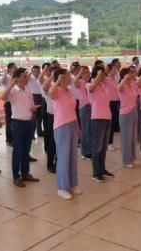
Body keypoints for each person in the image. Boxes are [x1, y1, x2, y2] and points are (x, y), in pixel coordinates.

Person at [1, 67, 41, 187]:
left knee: (26, 150)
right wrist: (11, 84)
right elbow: (3, 97)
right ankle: (16, 176)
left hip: (29, 122)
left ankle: (25, 173)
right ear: (17, 79)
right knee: (18, 151)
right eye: (24, 76)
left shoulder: (27, 88)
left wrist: (33, 111)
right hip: (18, 123)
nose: (27, 77)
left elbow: (31, 103)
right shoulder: (13, 90)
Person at [49, 68, 82, 200]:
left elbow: (73, 110)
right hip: (61, 126)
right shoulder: (56, 90)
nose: (71, 78)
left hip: (72, 124)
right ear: (61, 78)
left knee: (72, 157)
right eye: (68, 76)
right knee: (63, 158)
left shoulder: (69, 91)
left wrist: (78, 127)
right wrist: (57, 81)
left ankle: (73, 184)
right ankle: (62, 188)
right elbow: (50, 94)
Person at [87, 65, 114, 182]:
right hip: (97, 119)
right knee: (97, 147)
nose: (104, 76)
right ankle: (96, 172)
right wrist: (99, 74)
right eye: (102, 74)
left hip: (107, 118)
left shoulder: (103, 85)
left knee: (103, 147)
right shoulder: (90, 86)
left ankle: (102, 169)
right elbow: (93, 86)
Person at [118, 68, 138, 167]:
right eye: (130, 73)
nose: (132, 75)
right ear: (125, 75)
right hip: (125, 113)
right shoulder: (122, 85)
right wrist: (125, 79)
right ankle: (126, 160)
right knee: (126, 137)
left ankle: (131, 157)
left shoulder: (131, 85)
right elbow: (119, 89)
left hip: (133, 110)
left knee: (132, 136)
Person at [40, 67, 57, 173]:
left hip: (61, 117)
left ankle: (58, 162)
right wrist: (52, 76)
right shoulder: (49, 85)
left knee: (58, 142)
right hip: (52, 116)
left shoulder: (63, 87)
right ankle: (50, 164)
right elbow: (45, 88)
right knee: (51, 142)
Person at [74, 66, 92, 160]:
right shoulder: (81, 82)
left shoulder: (89, 83)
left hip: (91, 107)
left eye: (88, 72)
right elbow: (74, 82)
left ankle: (89, 149)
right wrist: (80, 72)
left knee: (89, 130)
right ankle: (85, 152)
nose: (88, 74)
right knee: (85, 131)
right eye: (85, 72)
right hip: (84, 108)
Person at [105, 63, 120, 151]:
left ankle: (111, 142)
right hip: (109, 103)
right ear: (109, 70)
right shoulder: (106, 79)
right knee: (110, 123)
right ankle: (108, 143)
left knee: (113, 122)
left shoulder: (114, 79)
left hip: (115, 102)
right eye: (114, 69)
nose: (116, 70)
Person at [1, 62, 17, 146]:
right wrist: (6, 73)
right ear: (10, 68)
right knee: (9, 122)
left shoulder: (16, 77)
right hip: (8, 101)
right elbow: (1, 81)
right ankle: (9, 139)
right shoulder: (7, 77)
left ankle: (13, 138)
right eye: (14, 67)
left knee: (14, 121)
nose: (16, 68)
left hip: (15, 101)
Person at [28, 65, 44, 138]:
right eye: (35, 71)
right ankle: (31, 133)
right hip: (34, 97)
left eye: (38, 71)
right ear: (32, 71)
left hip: (41, 97)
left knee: (40, 116)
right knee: (34, 116)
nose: (37, 72)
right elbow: (26, 78)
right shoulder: (30, 78)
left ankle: (39, 131)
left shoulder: (41, 78)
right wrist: (31, 72)